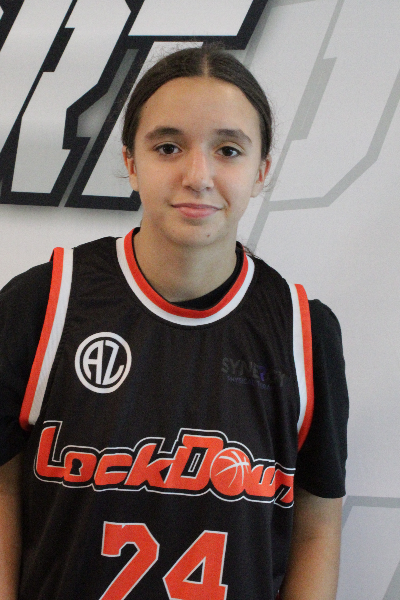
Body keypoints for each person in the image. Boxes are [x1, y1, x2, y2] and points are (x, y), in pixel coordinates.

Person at [0, 45, 348, 599]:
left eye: (228, 150)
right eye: (168, 147)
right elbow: (3, 492)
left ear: (261, 170)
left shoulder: (304, 333)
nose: (197, 175)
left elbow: (317, 526)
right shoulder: (43, 303)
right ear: (131, 162)